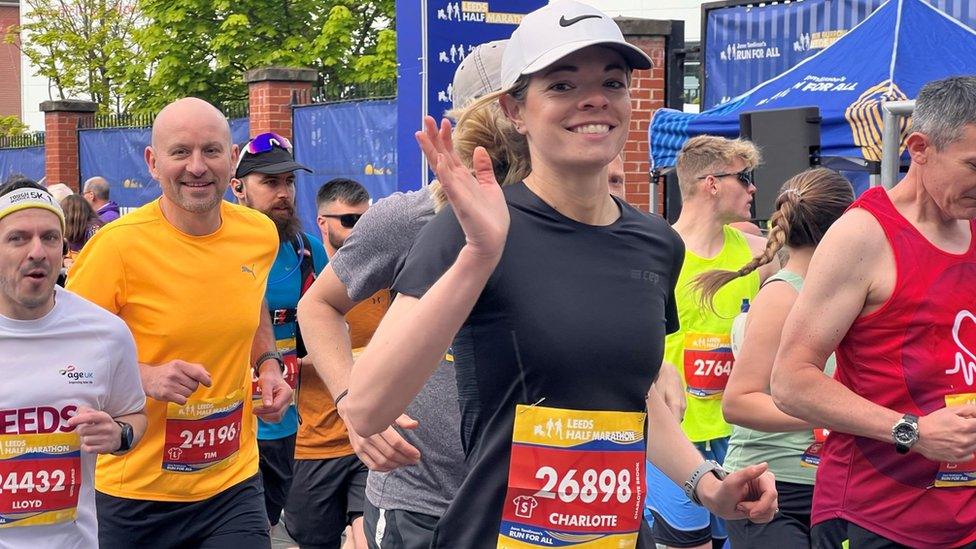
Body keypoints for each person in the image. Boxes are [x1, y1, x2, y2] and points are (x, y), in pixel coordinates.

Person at [341, 2, 778, 548]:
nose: (594, 99)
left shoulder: (656, 243)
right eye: (563, 85)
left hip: (613, 537)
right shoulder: (474, 226)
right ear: (515, 111)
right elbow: (367, 406)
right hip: (495, 534)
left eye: (612, 82)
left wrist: (704, 483)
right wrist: (479, 254)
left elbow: (630, 393)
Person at [295, 40, 515, 549]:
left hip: (547, 504)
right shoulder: (415, 216)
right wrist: (354, 404)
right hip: (424, 502)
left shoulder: (585, 223)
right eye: (517, 99)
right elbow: (318, 305)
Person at [65, 97, 293, 548]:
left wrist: (268, 365)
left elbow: (252, 304)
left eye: (211, 151)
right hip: (136, 493)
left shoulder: (259, 233)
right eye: (179, 153)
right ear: (153, 162)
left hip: (232, 481)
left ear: (232, 160)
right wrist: (143, 376)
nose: (197, 167)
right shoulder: (116, 247)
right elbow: (64, 350)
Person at [771, 76, 976, 548]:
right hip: (878, 517)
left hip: (961, 517)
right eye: (973, 164)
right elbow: (790, 381)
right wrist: (911, 431)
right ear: (919, 148)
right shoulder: (862, 236)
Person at [692, 168, 854, 547]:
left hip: (834, 485)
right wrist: (841, 413)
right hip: (773, 483)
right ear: (847, 223)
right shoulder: (782, 295)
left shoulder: (845, 293)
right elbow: (739, 402)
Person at [645, 134, 777, 549]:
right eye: (745, 177)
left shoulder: (762, 256)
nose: (754, 187)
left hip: (738, 437)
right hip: (673, 437)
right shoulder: (657, 253)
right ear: (712, 183)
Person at [0, 179, 146, 548]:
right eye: (18, 238)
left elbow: (134, 415)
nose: (38, 252)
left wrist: (119, 435)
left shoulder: (105, 332)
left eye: (50, 238)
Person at [230, 131, 324, 530]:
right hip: (226, 426)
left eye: (288, 181)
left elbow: (334, 327)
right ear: (238, 189)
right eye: (269, 182)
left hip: (286, 424)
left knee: (267, 528)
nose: (283, 193)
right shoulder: (219, 248)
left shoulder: (307, 251)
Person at [283, 177, 376, 549]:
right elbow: (277, 359)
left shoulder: (385, 279)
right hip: (313, 443)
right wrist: (337, 358)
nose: (361, 230)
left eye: (366, 221)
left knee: (366, 534)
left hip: (369, 439)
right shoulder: (302, 282)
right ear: (323, 223)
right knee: (312, 538)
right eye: (350, 221)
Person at [60, 194, 103, 259]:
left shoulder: (93, 230)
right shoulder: (70, 232)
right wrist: (66, 260)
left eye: (64, 213)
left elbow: (97, 258)